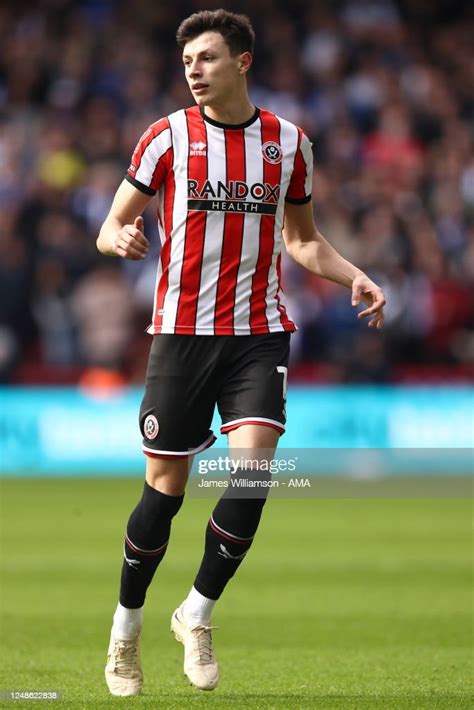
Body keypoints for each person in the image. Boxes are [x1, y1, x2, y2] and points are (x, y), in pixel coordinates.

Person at [97, 9, 385, 697]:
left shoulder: (287, 144)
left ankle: (196, 613)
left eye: (207, 58)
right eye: (187, 60)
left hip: (258, 332)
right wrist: (120, 241)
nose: (193, 70)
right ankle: (126, 629)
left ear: (243, 61)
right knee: (164, 492)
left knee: (254, 471)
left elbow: (303, 240)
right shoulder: (165, 138)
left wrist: (357, 275)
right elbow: (113, 225)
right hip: (180, 334)